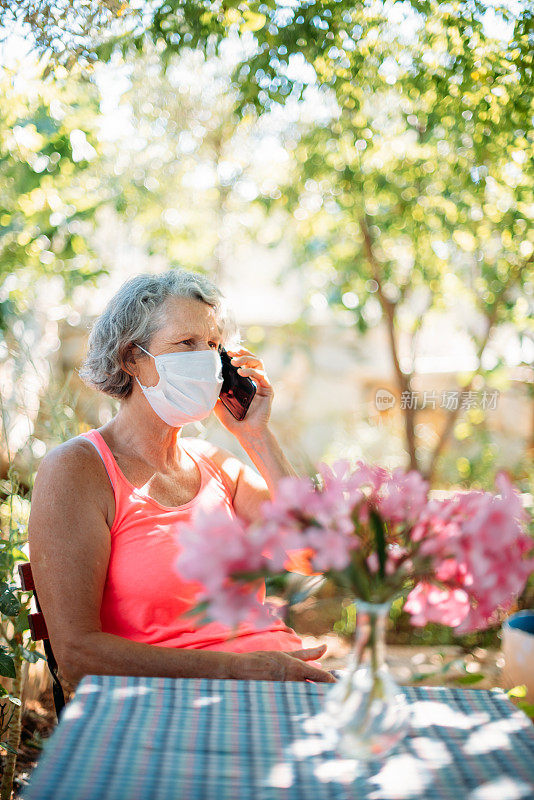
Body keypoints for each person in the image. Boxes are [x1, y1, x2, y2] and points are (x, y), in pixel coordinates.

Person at [28, 270, 337, 689]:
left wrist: (257, 437)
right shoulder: (77, 470)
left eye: (212, 345)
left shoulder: (218, 466)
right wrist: (239, 669)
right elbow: (78, 654)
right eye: (186, 343)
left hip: (280, 682)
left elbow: (313, 555)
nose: (207, 359)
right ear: (131, 358)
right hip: (185, 702)